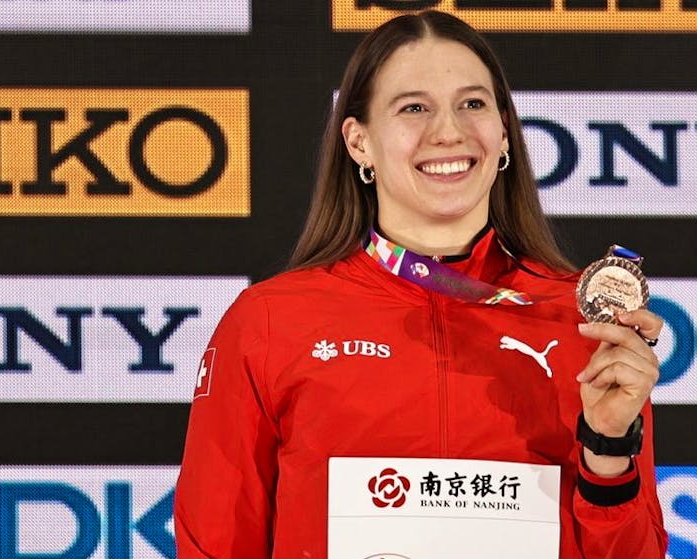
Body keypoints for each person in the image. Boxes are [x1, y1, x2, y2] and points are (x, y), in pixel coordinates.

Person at [175, 10, 667, 558]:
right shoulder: (270, 321)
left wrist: (607, 449)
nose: (449, 132)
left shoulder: (579, 323)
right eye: (414, 108)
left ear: (504, 131)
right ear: (359, 142)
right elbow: (214, 545)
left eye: (473, 104)